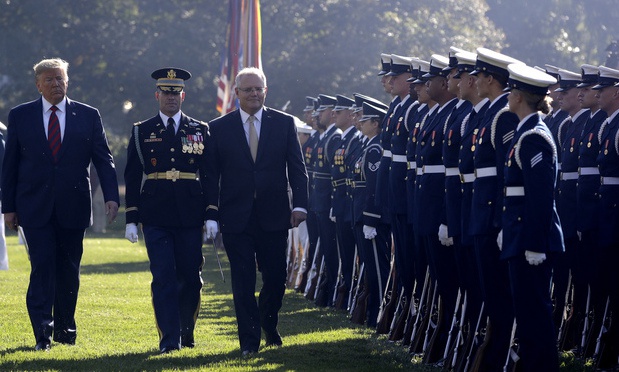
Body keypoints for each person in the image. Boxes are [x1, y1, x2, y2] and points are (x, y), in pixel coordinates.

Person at [2, 58, 119, 351]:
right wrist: (8, 208)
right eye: (50, 79)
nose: (56, 84)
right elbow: (10, 165)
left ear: (68, 82)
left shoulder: (88, 115)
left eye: (60, 79)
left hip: (74, 206)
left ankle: (66, 330)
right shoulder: (21, 115)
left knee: (68, 270)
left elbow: (103, 158)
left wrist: (112, 196)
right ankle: (43, 333)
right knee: (42, 268)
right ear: (38, 84)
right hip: (33, 207)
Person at [204, 67, 308, 356]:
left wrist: (300, 205)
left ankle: (268, 321)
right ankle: (249, 341)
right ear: (236, 92)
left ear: (266, 91)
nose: (253, 94)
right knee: (243, 280)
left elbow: (298, 170)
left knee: (275, 278)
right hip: (236, 217)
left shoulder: (284, 123)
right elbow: (211, 176)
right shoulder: (218, 127)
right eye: (248, 89)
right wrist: (211, 214)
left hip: (275, 215)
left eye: (258, 89)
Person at [124, 67, 208, 354]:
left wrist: (211, 214)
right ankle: (169, 339)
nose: (171, 97)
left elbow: (209, 175)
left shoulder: (200, 129)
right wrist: (131, 219)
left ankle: (187, 329)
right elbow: (133, 176)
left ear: (183, 95)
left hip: (190, 213)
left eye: (176, 93)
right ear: (156, 94)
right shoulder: (142, 131)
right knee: (163, 277)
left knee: (190, 277)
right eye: (165, 92)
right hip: (156, 214)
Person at [501, 62, 564, 371]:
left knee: (535, 314)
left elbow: (539, 196)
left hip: (531, 238)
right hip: (520, 233)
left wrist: (535, 243)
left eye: (512, 90)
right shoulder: (525, 132)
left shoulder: (534, 136)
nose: (508, 95)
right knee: (526, 313)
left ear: (520, 96)